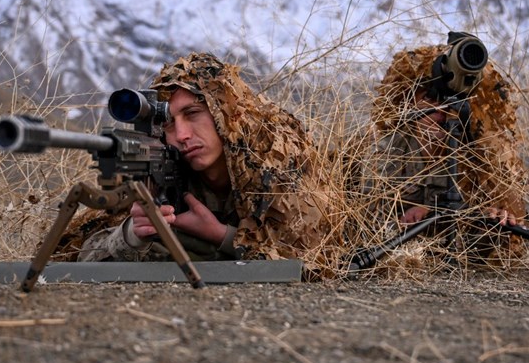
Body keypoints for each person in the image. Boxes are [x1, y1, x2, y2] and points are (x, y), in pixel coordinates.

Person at [77, 52, 342, 274]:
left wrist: (220, 235)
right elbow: (79, 256)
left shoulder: (276, 156)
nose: (181, 135)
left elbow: (315, 260)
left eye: (192, 113)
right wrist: (133, 234)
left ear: (224, 112)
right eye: (168, 124)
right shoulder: (160, 164)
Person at [358, 35, 528, 267]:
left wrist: (496, 216)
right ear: (409, 102)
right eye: (430, 99)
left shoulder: (482, 155)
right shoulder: (389, 149)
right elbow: (368, 221)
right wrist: (414, 218)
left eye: (451, 102)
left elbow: (511, 240)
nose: (439, 113)